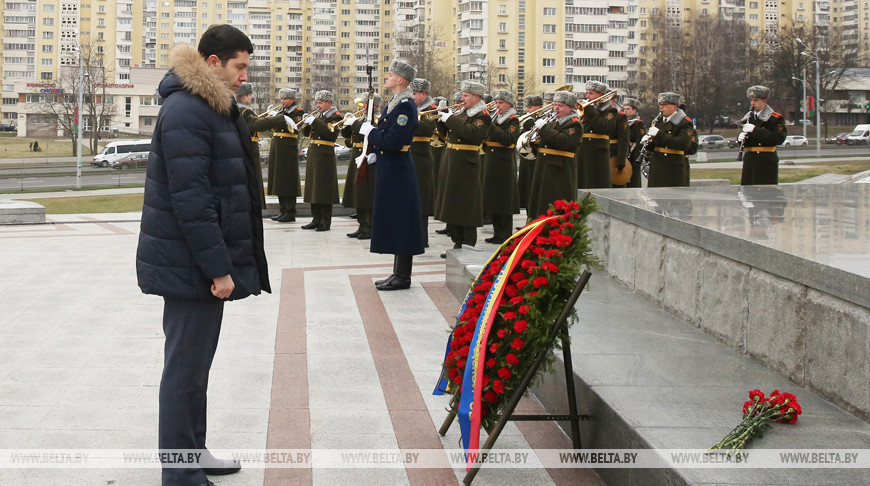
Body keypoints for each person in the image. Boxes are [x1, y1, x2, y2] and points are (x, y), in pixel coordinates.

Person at [135, 24, 270, 486]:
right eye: (239, 67)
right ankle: (179, 474)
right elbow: (192, 200)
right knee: (184, 371)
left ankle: (193, 452)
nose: (243, 77)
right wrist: (219, 268)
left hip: (198, 263)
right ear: (213, 63)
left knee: (196, 368)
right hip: (191, 265)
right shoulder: (187, 111)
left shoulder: (211, 107)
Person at [359, 59, 425, 291]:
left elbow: (394, 140)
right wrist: (376, 150)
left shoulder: (405, 105)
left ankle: (403, 276)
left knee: (402, 221)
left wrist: (372, 133)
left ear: (400, 79)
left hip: (398, 170)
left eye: (390, 74)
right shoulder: (395, 103)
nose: (386, 77)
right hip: (391, 167)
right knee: (396, 220)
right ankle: (398, 272)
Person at [434, 81, 491, 255]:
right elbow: (447, 134)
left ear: (476, 97)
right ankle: (457, 241)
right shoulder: (463, 112)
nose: (462, 98)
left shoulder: (483, 116)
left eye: (466, 95)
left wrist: (450, 118)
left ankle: (467, 242)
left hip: (467, 163)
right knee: (453, 202)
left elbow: (473, 134)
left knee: (466, 204)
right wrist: (442, 118)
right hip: (452, 160)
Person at [527, 91, 581, 219]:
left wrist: (544, 128)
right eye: (555, 105)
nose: (556, 108)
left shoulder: (574, 123)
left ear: (571, 107)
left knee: (553, 203)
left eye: (560, 105)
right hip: (545, 167)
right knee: (540, 203)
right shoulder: (553, 121)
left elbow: (563, 141)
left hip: (560, 171)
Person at [340, 93, 382, 239]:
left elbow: (375, 135)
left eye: (366, 104)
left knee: (367, 195)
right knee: (358, 194)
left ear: (374, 106)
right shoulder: (360, 119)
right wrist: (347, 124)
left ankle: (369, 226)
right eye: (363, 104)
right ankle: (361, 225)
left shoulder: (378, 119)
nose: (363, 107)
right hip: (357, 157)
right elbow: (348, 137)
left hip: (369, 158)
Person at [300, 90, 342, 231]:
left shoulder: (335, 116)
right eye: (317, 102)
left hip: (325, 155)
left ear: (328, 103)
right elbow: (307, 134)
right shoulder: (318, 116)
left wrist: (315, 122)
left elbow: (330, 134)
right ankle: (315, 218)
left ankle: (325, 221)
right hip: (314, 154)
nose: (318, 105)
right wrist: (306, 123)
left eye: (320, 102)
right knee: (314, 188)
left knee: (324, 189)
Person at [482, 89, 520, 244]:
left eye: (501, 103)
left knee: (504, 199)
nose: (498, 106)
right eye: (496, 103)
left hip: (504, 162)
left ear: (509, 104)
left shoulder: (512, 120)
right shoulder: (497, 117)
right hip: (492, 160)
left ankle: (505, 233)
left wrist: (490, 127)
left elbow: (508, 139)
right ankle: (497, 232)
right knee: (494, 198)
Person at [265, 88, 305, 222]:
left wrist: (279, 118)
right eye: (281, 99)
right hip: (278, 147)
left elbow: (296, 128)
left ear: (292, 99)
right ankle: (282, 210)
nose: (282, 101)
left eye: (285, 99)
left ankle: (290, 211)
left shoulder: (297, 112)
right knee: (279, 180)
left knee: (288, 181)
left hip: (288, 149)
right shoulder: (282, 111)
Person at [642, 92, 695, 187]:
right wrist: (648, 142)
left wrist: (659, 134)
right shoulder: (657, 121)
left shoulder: (684, 122)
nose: (661, 107)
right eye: (660, 105)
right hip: (657, 166)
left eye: (665, 105)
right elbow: (655, 147)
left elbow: (683, 144)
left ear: (674, 106)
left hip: (672, 167)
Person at [739, 85, 787, 185]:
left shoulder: (775, 118)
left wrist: (755, 130)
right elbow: (749, 142)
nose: (752, 103)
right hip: (749, 161)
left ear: (764, 101)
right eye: (751, 100)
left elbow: (778, 138)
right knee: (747, 194)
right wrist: (740, 139)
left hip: (766, 162)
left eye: (756, 100)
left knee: (765, 195)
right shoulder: (748, 117)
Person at [410, 78, 438, 246]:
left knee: (421, 199)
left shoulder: (431, 109)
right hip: (410, 155)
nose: (411, 97)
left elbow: (426, 128)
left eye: (414, 94)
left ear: (424, 94)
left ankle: (422, 237)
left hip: (421, 158)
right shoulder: (414, 108)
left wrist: (408, 118)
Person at [235, 82, 267, 209]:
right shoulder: (246, 111)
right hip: (250, 150)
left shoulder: (236, 109)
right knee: (254, 181)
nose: (251, 98)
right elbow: (253, 126)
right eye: (249, 96)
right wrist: (279, 119)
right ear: (243, 97)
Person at [576, 81, 612, 189]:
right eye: (587, 93)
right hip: (583, 150)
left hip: (598, 153)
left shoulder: (610, 111)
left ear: (600, 95)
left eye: (591, 93)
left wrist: (590, 110)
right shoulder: (587, 110)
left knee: (597, 183)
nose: (587, 96)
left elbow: (602, 127)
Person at [518, 95, 543, 211]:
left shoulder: (543, 119)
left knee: (533, 188)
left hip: (536, 158)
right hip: (526, 156)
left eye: (531, 107)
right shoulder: (529, 119)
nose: (528, 110)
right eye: (528, 107)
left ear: (539, 107)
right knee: (526, 187)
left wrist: (530, 124)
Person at [623, 98, 646, 188]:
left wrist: (637, 159)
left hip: (633, 155)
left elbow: (640, 143)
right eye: (624, 109)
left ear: (635, 110)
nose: (625, 111)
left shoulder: (638, 124)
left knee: (633, 182)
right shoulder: (624, 122)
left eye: (628, 109)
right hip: (625, 154)